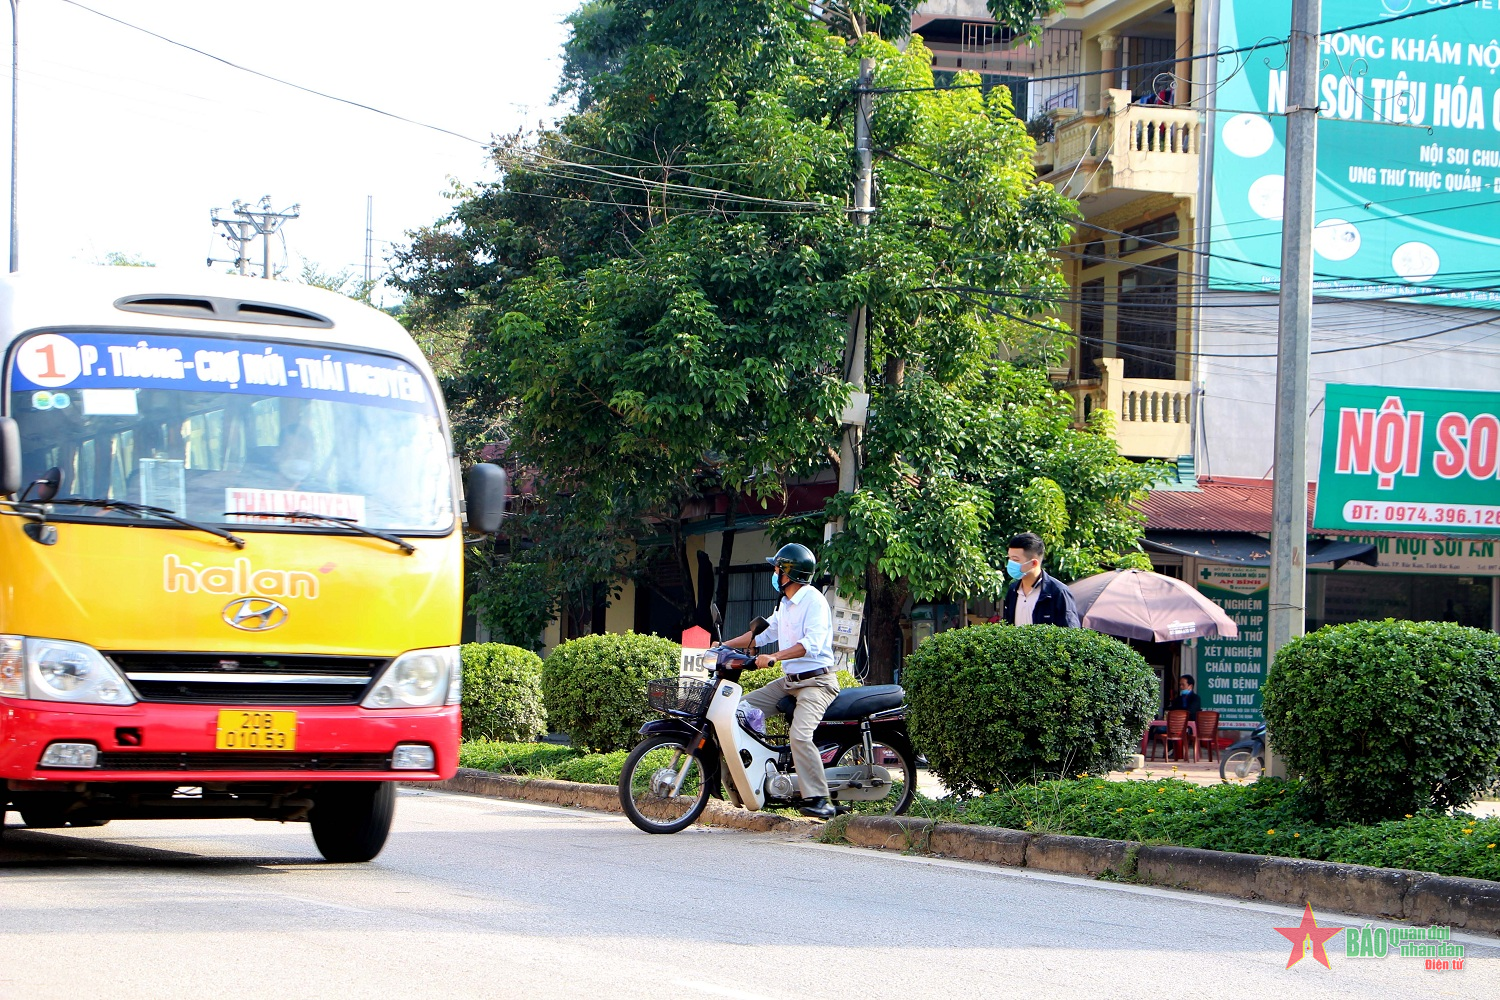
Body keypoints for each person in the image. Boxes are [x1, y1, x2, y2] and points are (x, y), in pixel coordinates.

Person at [723, 542, 840, 820]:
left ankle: (820, 800)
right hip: (790, 680)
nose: (774, 573)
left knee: (799, 735)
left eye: (777, 568)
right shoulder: (786, 604)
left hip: (817, 683)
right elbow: (761, 635)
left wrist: (774, 657)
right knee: (738, 710)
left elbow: (809, 644)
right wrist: (721, 646)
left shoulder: (814, 602)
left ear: (790, 573)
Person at [1000, 532, 1080, 627]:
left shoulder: (1058, 592)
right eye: (1009, 558)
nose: (1010, 564)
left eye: (1015, 560)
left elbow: (1071, 632)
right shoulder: (1013, 590)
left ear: (1033, 563)